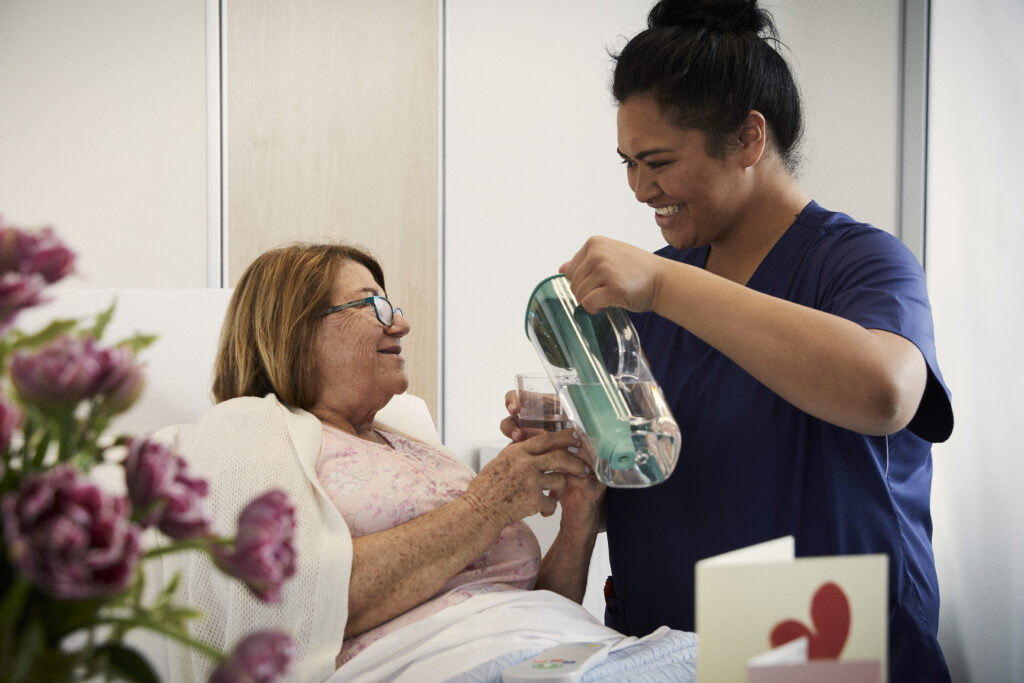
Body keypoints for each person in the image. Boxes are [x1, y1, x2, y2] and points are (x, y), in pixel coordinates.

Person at [500, 1, 953, 680]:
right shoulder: (651, 296)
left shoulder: (859, 262)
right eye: (627, 163)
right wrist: (585, 459)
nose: (639, 189)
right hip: (662, 644)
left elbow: (885, 391)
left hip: (811, 638)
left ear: (748, 138)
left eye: (656, 161)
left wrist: (660, 285)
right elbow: (643, 477)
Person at [145, 242, 697, 682]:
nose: (401, 324)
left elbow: (525, 605)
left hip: (564, 652)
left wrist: (580, 516)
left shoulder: (419, 449)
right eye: (375, 305)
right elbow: (286, 605)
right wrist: (487, 504)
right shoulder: (249, 429)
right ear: (297, 326)